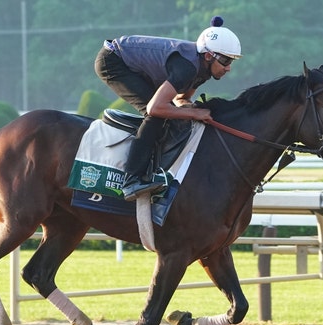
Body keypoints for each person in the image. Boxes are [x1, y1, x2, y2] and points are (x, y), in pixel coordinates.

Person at [95, 16, 242, 201]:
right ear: (208, 55)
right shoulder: (187, 68)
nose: (229, 68)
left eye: (232, 61)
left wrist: (194, 109)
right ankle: (131, 180)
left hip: (130, 63)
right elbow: (156, 107)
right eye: (226, 61)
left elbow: (182, 99)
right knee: (157, 116)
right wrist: (194, 113)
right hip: (113, 61)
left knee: (170, 113)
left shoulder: (203, 71)